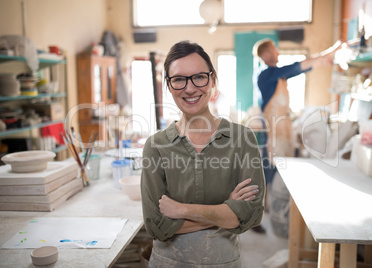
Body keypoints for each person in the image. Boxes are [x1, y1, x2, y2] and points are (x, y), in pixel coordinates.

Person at [141, 40, 265, 267]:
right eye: (178, 79)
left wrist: (182, 210)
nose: (189, 88)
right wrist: (225, 211)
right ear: (168, 86)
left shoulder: (242, 139)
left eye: (199, 77)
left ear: (213, 80)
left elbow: (251, 215)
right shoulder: (156, 146)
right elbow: (156, 225)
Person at [253, 39, 342, 212]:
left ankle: (275, 205)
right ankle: (260, 208)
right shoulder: (266, 74)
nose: (278, 52)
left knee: (280, 166)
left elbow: (302, 68)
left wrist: (321, 60)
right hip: (274, 130)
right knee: (269, 169)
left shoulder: (278, 75)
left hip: (283, 127)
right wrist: (328, 52)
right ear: (265, 55)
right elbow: (296, 67)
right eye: (274, 50)